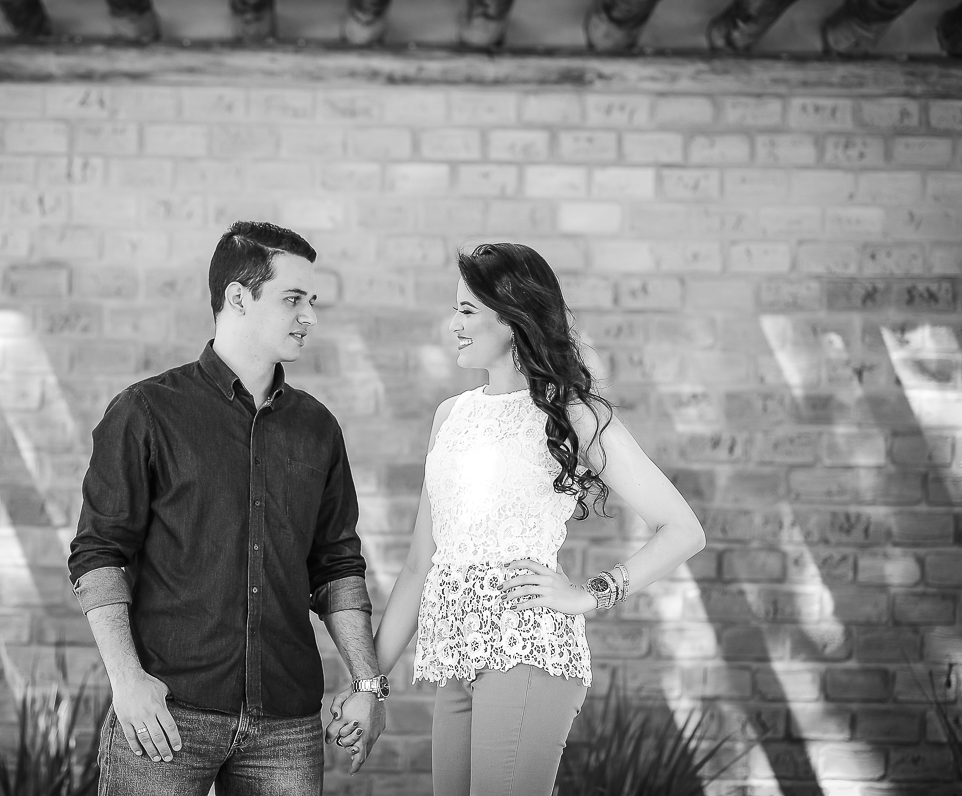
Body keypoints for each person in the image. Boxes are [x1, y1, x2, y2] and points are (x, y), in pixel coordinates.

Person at [327, 242, 706, 795]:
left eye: (467, 310)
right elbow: (418, 567)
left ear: (510, 318)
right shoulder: (450, 417)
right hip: (456, 655)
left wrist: (590, 594)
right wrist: (368, 684)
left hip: (528, 651)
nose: (453, 324)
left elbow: (683, 530)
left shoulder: (571, 412)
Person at [69, 221, 386, 796]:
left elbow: (336, 567)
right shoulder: (147, 412)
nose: (309, 317)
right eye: (293, 299)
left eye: (311, 301)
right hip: (166, 713)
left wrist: (367, 683)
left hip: (286, 724)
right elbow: (99, 554)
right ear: (238, 297)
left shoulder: (318, 428)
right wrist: (127, 680)